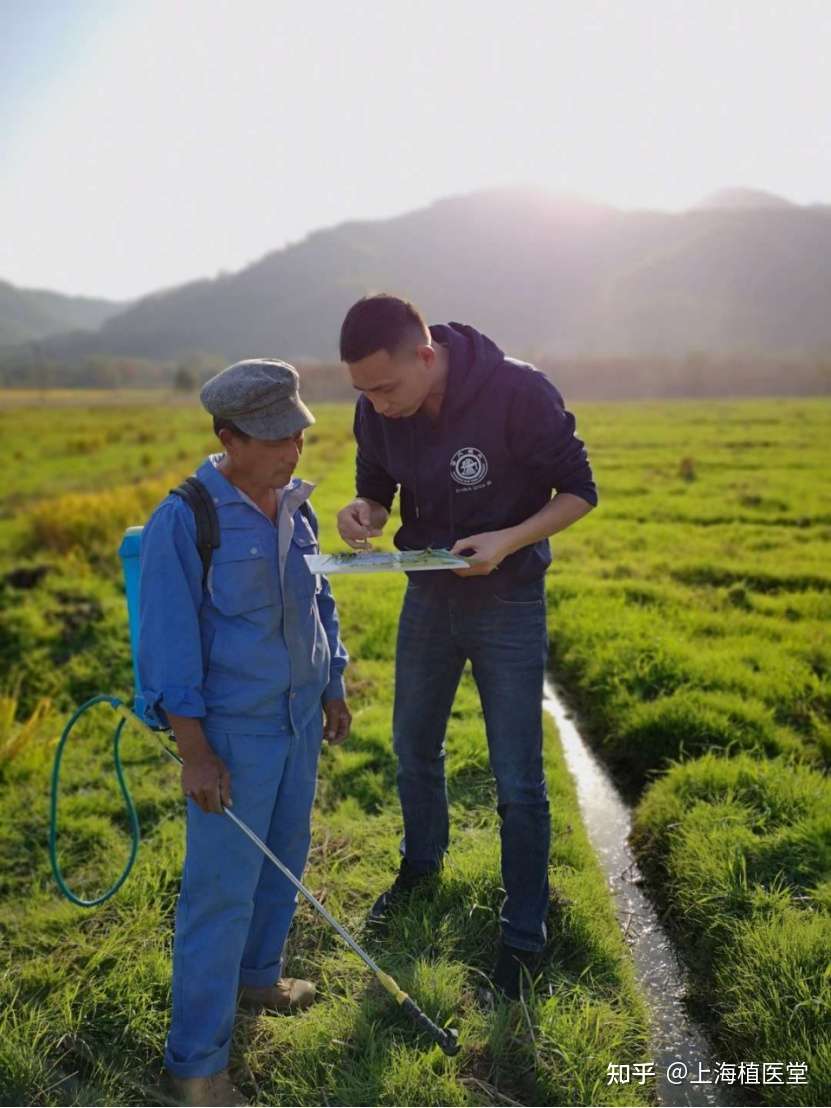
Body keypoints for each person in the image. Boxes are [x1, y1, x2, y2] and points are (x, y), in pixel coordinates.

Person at [336, 295, 597, 1000]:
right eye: (361, 391)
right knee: (412, 745)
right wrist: (365, 512)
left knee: (517, 776)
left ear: (425, 356)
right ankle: (420, 868)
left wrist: (507, 540)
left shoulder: (518, 389)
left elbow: (578, 491)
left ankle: (523, 930)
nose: (375, 403)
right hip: (427, 595)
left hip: (507, 598)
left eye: (385, 387)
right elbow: (377, 487)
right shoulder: (377, 407)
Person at [138, 359, 350, 1107]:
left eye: (297, 432)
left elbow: (319, 604)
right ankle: (195, 1066)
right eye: (273, 438)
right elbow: (167, 648)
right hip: (232, 737)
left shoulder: (298, 506)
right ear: (227, 436)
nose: (293, 449)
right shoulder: (186, 518)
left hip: (297, 726)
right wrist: (194, 752)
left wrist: (334, 684)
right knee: (218, 896)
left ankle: (259, 981)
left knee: (282, 866)